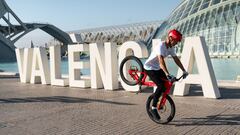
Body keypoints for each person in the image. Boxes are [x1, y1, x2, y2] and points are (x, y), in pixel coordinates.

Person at [143, 29, 188, 120]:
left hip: (157, 68)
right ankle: (153, 108)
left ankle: (158, 98)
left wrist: (184, 70)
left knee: (166, 84)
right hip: (150, 67)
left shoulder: (171, 48)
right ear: (170, 38)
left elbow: (176, 59)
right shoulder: (161, 46)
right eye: (176, 41)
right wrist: (167, 74)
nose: (177, 43)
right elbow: (161, 61)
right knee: (160, 86)